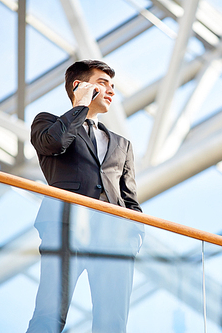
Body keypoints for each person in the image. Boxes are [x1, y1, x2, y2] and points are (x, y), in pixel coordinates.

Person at [27, 59, 144, 333]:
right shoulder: (48, 123)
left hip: (115, 237)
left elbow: (129, 197)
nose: (112, 91)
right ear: (79, 85)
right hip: (66, 227)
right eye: (103, 83)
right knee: (50, 312)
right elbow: (54, 144)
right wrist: (80, 106)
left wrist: (135, 232)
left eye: (113, 86)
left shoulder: (122, 144)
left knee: (113, 323)